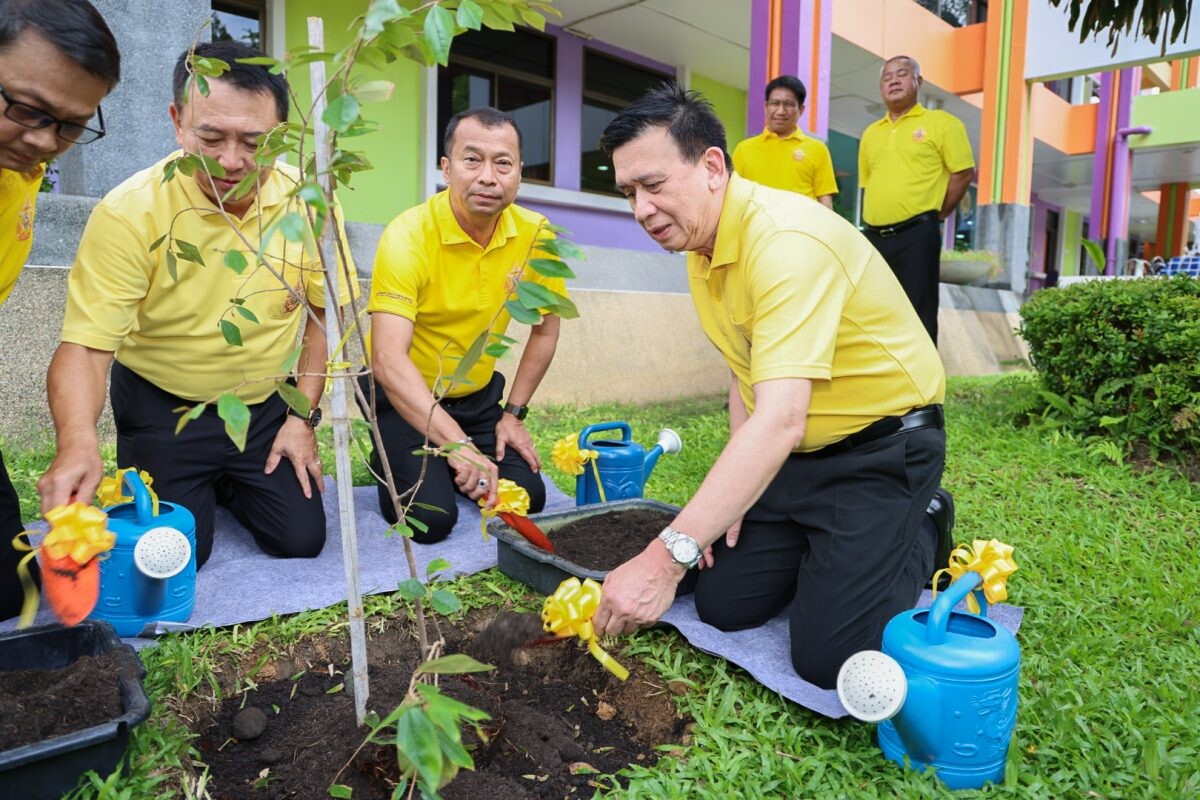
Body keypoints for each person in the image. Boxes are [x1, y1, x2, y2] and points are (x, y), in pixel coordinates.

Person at [592, 83, 946, 690]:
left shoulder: (785, 243)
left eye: (653, 186)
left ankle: (926, 522)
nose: (642, 210)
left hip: (880, 453)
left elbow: (780, 417)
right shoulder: (703, 243)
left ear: (711, 166)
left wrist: (662, 559)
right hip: (795, 456)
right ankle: (822, 548)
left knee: (828, 659)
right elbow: (745, 366)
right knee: (723, 606)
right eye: (628, 193)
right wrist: (744, 487)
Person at [37, 41, 356, 569]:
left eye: (255, 142)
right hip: (166, 405)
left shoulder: (312, 204)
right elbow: (87, 348)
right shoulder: (130, 212)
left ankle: (230, 479)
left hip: (264, 407)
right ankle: (196, 475)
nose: (232, 163)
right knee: (179, 553)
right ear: (178, 122)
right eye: (211, 137)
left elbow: (323, 315)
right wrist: (76, 442)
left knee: (300, 540)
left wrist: (302, 417)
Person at [363, 107, 567, 542]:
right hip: (406, 398)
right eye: (472, 160)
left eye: (503, 163)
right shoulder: (408, 236)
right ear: (446, 168)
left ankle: (455, 454)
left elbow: (546, 329)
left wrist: (513, 415)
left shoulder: (537, 235)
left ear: (519, 174)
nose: (488, 177)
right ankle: (395, 452)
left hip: (476, 400)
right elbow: (386, 359)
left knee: (526, 497)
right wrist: (459, 448)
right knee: (432, 520)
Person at [0, 0, 119, 620]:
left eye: (70, 124)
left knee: (10, 593)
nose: (45, 141)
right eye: (26, 109)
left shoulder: (21, 158)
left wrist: (78, 442)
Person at [859, 55, 975, 345]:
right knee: (875, 313)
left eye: (902, 74)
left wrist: (937, 214)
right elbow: (868, 184)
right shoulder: (871, 134)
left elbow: (962, 173)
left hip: (917, 234)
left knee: (918, 315)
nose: (894, 81)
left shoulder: (942, 123)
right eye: (887, 77)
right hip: (873, 237)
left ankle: (923, 389)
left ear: (918, 81)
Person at [732, 75, 837, 209]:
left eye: (788, 104)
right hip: (755, 228)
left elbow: (825, 199)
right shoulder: (744, 148)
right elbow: (733, 196)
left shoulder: (818, 149)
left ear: (801, 109)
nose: (780, 111)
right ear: (766, 107)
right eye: (775, 103)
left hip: (800, 227)